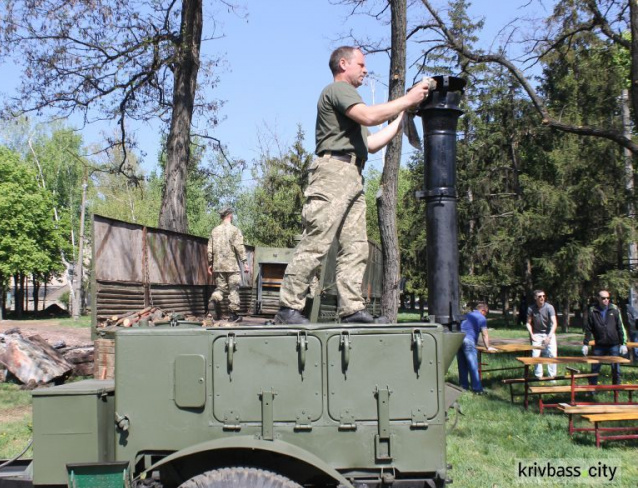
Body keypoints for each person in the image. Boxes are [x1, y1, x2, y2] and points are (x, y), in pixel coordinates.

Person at [275, 46, 429, 325]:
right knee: (317, 242)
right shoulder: (338, 91)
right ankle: (289, 308)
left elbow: (369, 144)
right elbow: (370, 116)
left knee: (356, 247)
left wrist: (402, 117)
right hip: (333, 172)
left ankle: (351, 310)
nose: (365, 69)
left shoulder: (351, 105)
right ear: (343, 64)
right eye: (361, 64)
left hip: (353, 174)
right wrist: (407, 99)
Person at [207, 207, 249, 322]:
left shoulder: (214, 231)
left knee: (220, 288)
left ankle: (213, 300)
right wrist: (245, 262)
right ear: (230, 215)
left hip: (218, 266)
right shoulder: (235, 230)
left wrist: (210, 263)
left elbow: (209, 249)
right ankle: (233, 315)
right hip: (231, 266)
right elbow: (239, 247)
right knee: (233, 289)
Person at [583, 290, 629, 385]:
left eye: (608, 298)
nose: (606, 300)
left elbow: (620, 327)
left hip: (614, 344)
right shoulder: (593, 310)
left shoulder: (614, 309)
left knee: (616, 369)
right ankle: (592, 390)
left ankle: (616, 390)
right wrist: (586, 344)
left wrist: (623, 344)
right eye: (603, 298)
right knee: (595, 368)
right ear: (598, 298)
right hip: (600, 345)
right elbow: (589, 329)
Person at [457, 302, 496, 394]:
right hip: (469, 341)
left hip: (458, 339)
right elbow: (484, 334)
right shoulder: (481, 318)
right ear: (483, 310)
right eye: (486, 313)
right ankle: (477, 389)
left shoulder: (466, 315)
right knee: (473, 365)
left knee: (462, 365)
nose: (485, 315)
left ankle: (463, 387)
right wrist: (488, 347)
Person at [526, 289, 558, 379]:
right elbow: (528, 323)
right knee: (535, 355)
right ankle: (538, 376)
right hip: (537, 334)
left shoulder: (549, 307)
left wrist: (549, 336)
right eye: (540, 296)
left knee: (552, 354)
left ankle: (552, 377)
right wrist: (532, 335)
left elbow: (554, 323)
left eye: (544, 296)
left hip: (549, 333)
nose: (542, 298)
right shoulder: (531, 308)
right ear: (535, 298)